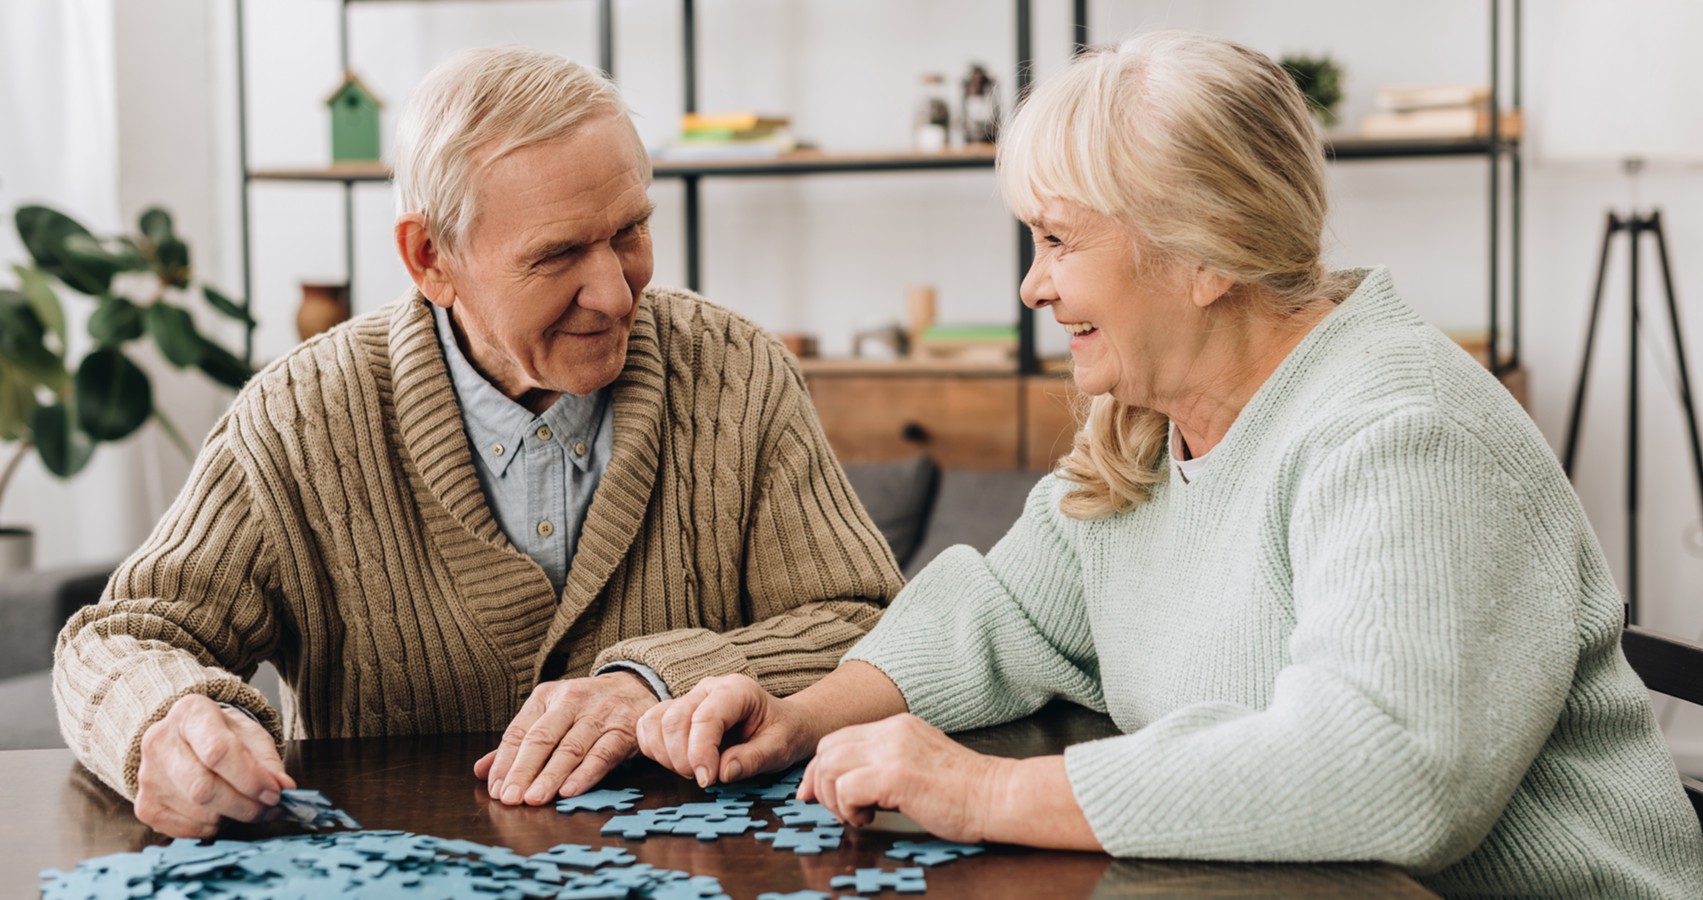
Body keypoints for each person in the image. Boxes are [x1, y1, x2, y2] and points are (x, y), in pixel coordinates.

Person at [632, 31, 1703, 898]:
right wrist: (804, 714)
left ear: (1200, 252)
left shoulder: (1405, 434)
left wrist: (984, 794)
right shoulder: (1149, 427)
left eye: (1056, 241)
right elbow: (1000, 611)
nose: (1030, 288)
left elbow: (1389, 773)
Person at [52, 46, 903, 839]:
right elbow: (121, 639)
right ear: (430, 258)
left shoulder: (736, 372)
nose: (613, 293)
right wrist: (168, 719)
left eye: (629, 232)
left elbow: (873, 628)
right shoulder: (298, 416)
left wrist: (650, 684)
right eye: (559, 254)